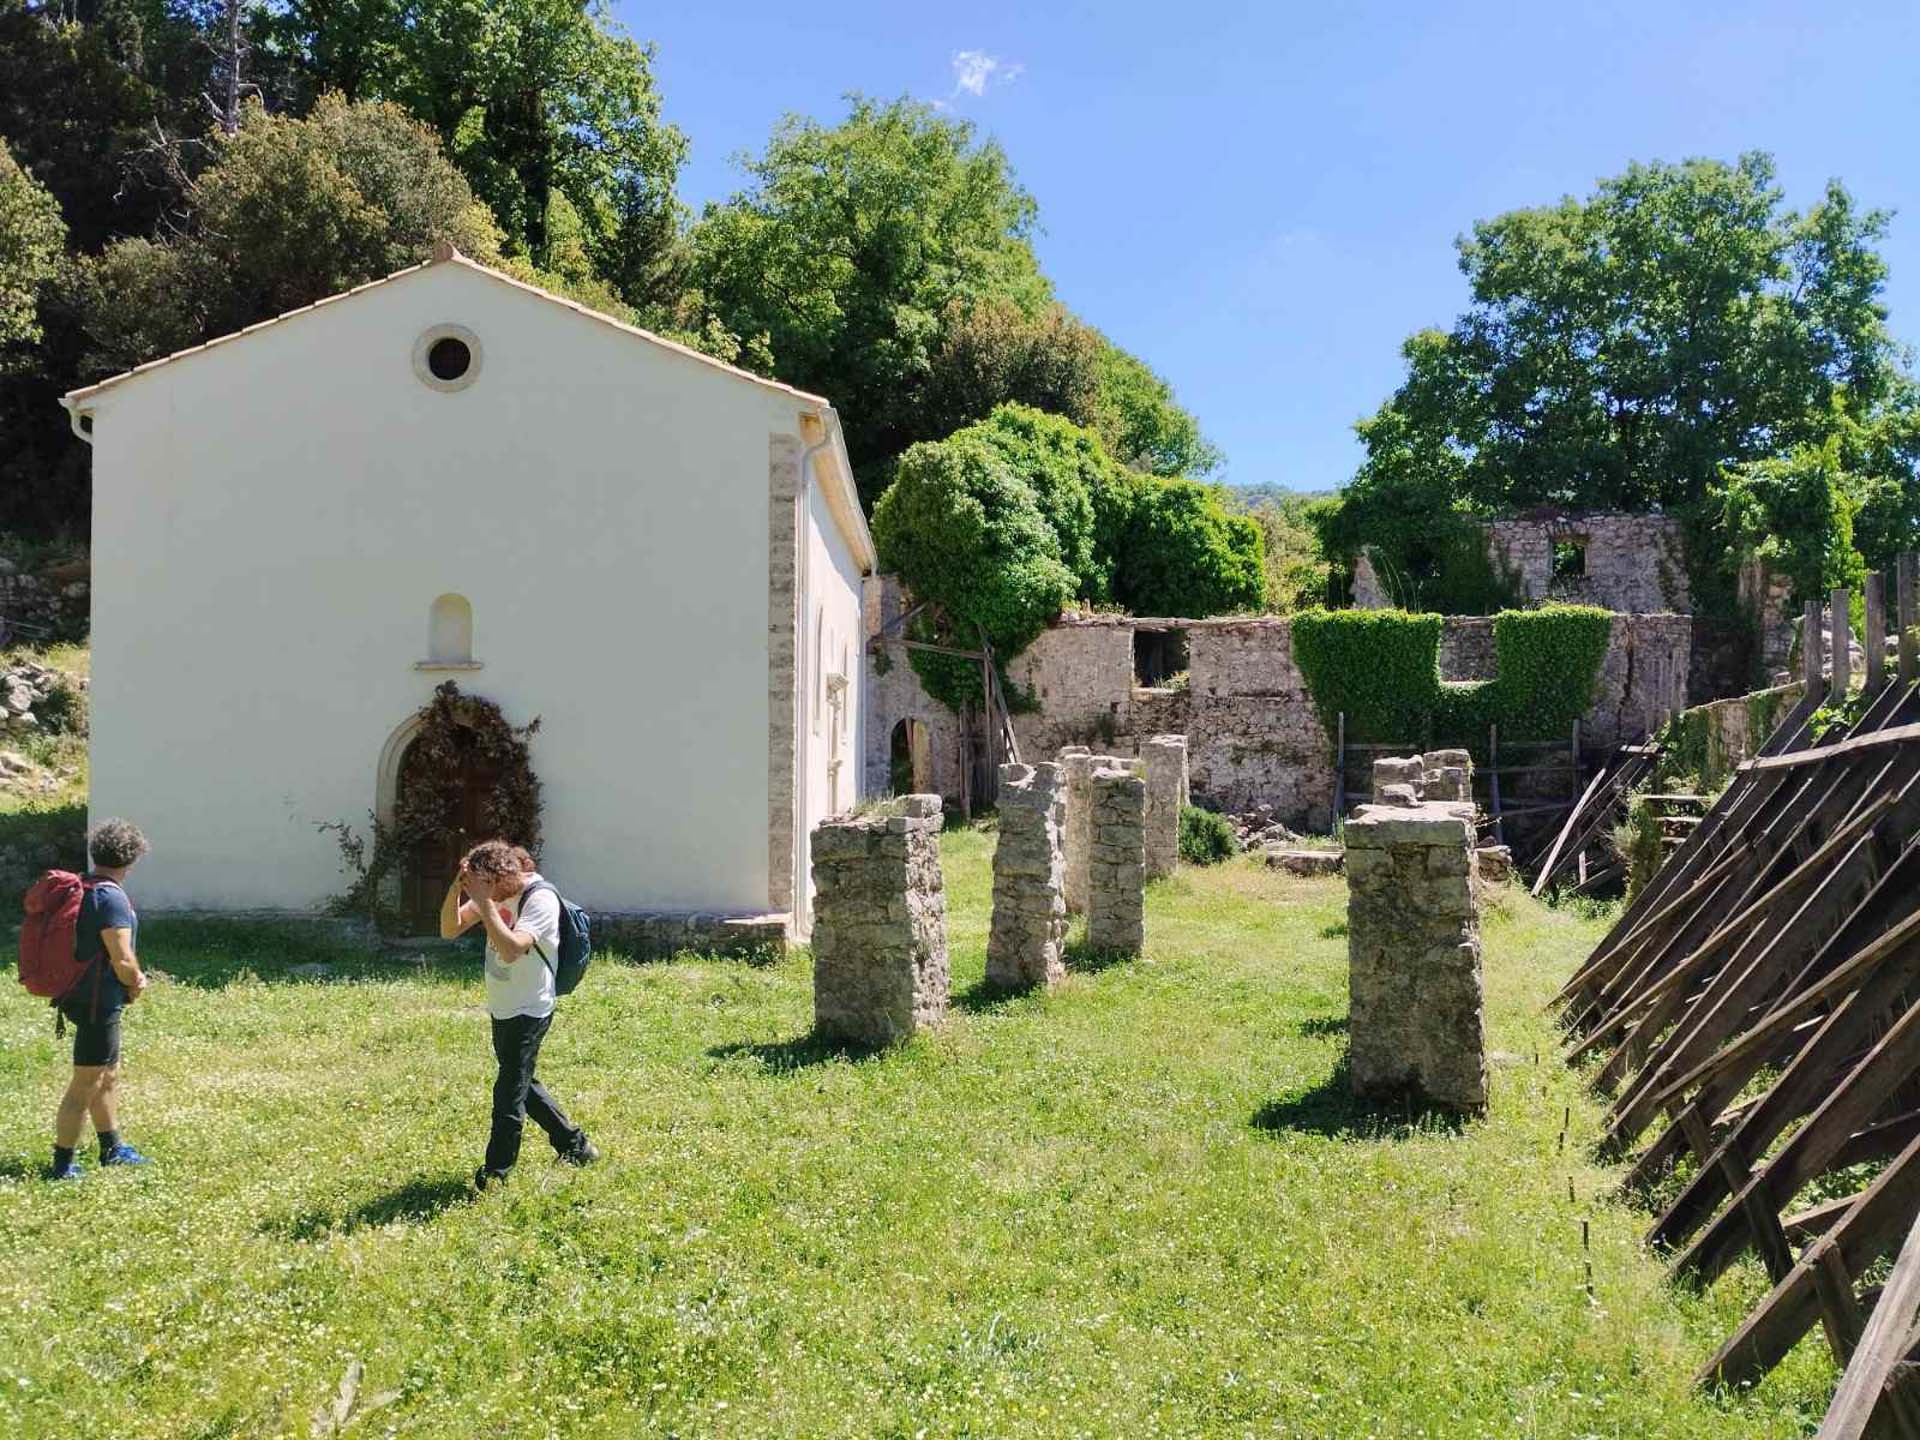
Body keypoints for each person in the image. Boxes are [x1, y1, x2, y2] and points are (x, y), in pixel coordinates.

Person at [440, 839, 597, 1188]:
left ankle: (497, 1173)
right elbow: (449, 929)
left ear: (501, 878)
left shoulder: (538, 898)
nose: (481, 894)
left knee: (509, 1091)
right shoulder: (491, 893)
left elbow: (512, 949)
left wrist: (482, 901)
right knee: (522, 1081)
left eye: (484, 886)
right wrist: (458, 887)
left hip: (531, 1006)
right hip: (503, 1003)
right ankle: (575, 1145)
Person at [50, 818, 153, 1180]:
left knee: (107, 1074)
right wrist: (137, 981)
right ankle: (62, 1165)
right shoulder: (111, 896)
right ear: (132, 859)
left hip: (82, 995)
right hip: (98, 1000)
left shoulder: (88, 886)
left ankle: (112, 1147)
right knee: (86, 1081)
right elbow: (121, 957)